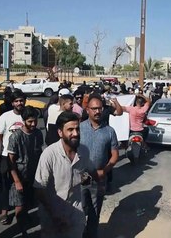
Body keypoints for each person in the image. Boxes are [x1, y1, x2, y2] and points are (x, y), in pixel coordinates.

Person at [34, 111, 96, 238]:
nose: (76, 133)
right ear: (60, 132)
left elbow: (88, 171)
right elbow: (40, 190)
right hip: (52, 216)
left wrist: (87, 178)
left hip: (75, 214)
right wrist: (55, 216)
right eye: (70, 130)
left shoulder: (83, 151)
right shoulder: (49, 155)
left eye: (77, 129)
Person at [79, 94, 119, 238]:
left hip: (99, 179)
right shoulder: (79, 128)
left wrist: (105, 171)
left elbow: (115, 155)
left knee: (95, 212)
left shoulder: (109, 131)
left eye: (99, 108)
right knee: (79, 210)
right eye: (94, 108)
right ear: (87, 110)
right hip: (79, 178)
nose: (97, 111)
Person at [7, 106, 43, 236]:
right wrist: (17, 181)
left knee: (29, 203)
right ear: (23, 121)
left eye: (35, 121)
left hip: (33, 176)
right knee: (20, 207)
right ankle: (23, 232)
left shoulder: (38, 134)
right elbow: (10, 160)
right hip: (19, 176)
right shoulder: (15, 137)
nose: (33, 124)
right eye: (29, 122)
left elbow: (39, 153)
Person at [0, 89, 27, 225]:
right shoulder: (5, 116)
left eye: (21, 100)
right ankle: (4, 212)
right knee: (5, 186)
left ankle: (20, 212)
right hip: (6, 156)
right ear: (12, 103)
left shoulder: (27, 115)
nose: (19, 103)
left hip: (23, 158)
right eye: (16, 101)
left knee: (21, 184)